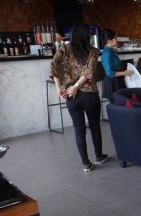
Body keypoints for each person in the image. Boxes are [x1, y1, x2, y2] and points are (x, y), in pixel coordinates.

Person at [50, 22, 109, 172]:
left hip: (72, 96)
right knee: (95, 126)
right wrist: (76, 86)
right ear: (86, 35)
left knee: (79, 130)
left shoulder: (64, 48)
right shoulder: (93, 51)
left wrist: (60, 88)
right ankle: (99, 156)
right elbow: (88, 72)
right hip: (89, 95)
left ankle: (86, 164)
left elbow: (54, 66)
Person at [101, 28, 133, 101]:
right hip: (112, 83)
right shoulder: (107, 53)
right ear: (109, 40)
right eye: (115, 38)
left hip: (117, 80)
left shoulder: (111, 50)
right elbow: (109, 73)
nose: (117, 39)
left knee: (121, 105)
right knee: (117, 106)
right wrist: (124, 73)